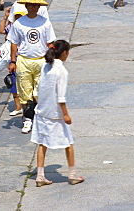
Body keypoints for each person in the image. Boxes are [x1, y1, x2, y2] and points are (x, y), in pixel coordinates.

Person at [32, 40, 83, 186]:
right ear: (65, 53)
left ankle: (40, 176)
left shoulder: (45, 66)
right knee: (68, 143)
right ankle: (72, 174)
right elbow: (61, 97)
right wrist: (65, 114)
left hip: (42, 111)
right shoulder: (61, 71)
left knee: (42, 144)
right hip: (55, 114)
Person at [8, 0, 56, 135]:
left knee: (40, 92)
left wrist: (52, 59)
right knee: (24, 91)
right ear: (27, 6)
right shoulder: (19, 23)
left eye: (36, 5)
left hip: (41, 60)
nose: (33, 7)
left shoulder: (45, 22)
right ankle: (27, 119)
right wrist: (12, 61)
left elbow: (50, 43)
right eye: (31, 5)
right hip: (24, 60)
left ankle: (41, 118)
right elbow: (14, 43)